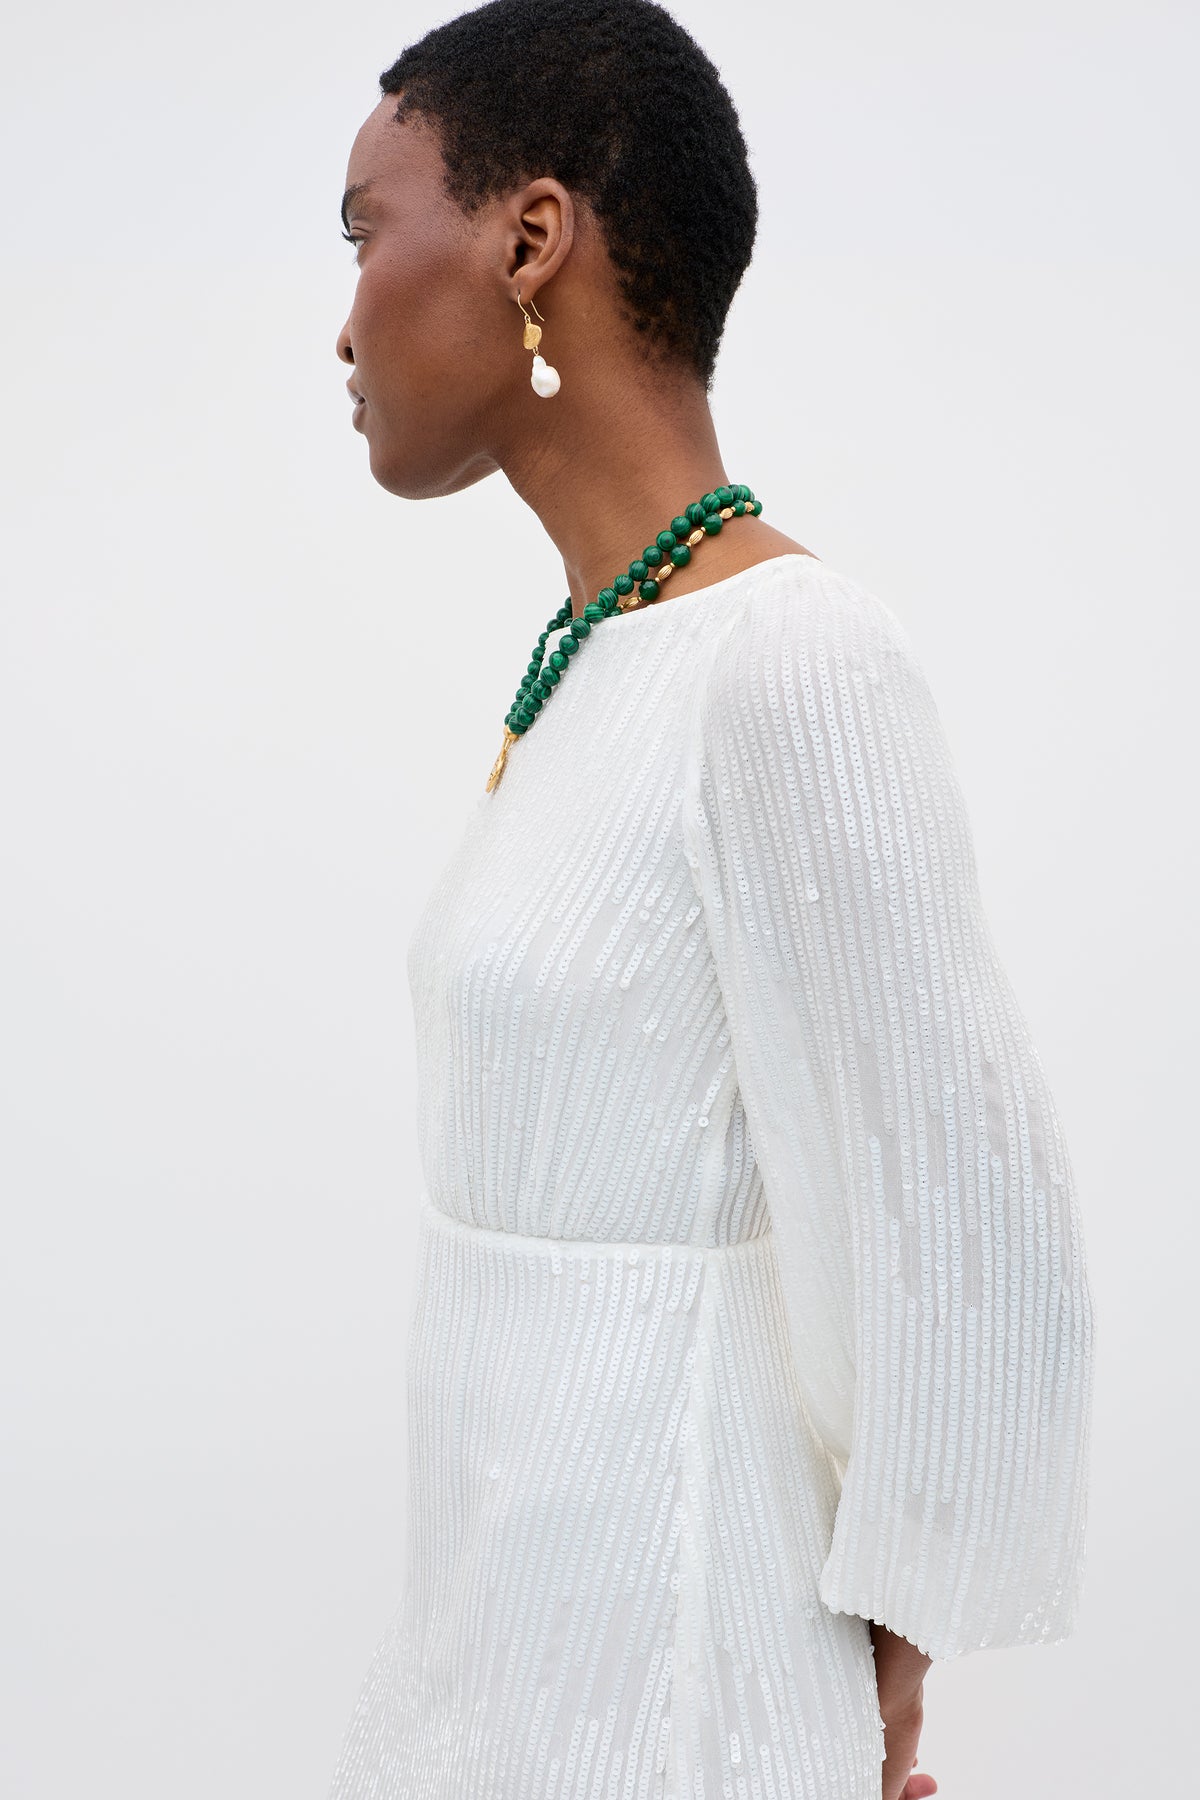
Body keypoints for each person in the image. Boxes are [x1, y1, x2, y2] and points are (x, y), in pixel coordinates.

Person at [324, 3, 1096, 1796]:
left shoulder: (791, 663)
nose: (345, 310)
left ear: (528, 239)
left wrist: (881, 1654)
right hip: (495, 1658)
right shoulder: (604, 658)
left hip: (676, 1686)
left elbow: (960, 1206)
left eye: (367, 227)